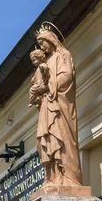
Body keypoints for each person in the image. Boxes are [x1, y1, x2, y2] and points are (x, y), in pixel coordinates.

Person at [34, 24, 82, 187]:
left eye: (43, 43)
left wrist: (47, 87)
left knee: (61, 137)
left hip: (60, 107)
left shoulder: (63, 55)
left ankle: (68, 177)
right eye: (40, 44)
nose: (42, 47)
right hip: (47, 105)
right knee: (46, 141)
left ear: (51, 39)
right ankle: (53, 176)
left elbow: (67, 77)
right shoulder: (45, 62)